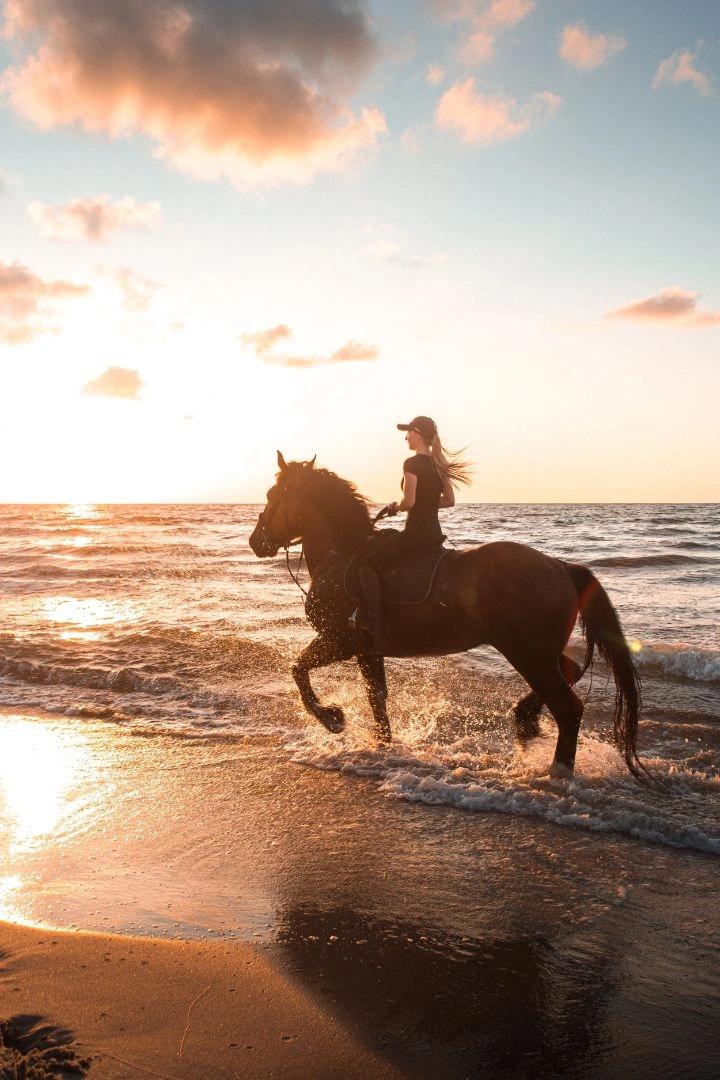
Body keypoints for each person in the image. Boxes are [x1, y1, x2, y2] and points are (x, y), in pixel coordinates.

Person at [355, 416, 472, 651]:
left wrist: (394, 507)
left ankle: (374, 623)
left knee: (366, 562)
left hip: (416, 535)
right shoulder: (441, 465)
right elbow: (449, 501)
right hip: (434, 535)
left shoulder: (412, 463)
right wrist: (427, 503)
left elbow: (409, 501)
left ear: (417, 434)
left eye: (407, 433)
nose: (405, 437)